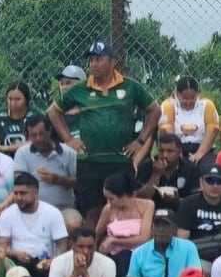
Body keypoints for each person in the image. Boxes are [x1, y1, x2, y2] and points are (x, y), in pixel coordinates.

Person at [48, 40, 157, 225]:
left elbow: (155, 110)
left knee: (124, 210)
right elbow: (53, 111)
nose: (93, 64)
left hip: (120, 160)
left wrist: (140, 141)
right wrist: (68, 139)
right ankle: (91, 251)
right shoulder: (79, 89)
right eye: (90, 60)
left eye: (98, 59)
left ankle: (122, 249)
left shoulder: (130, 87)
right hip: (90, 161)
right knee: (92, 214)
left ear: (112, 61)